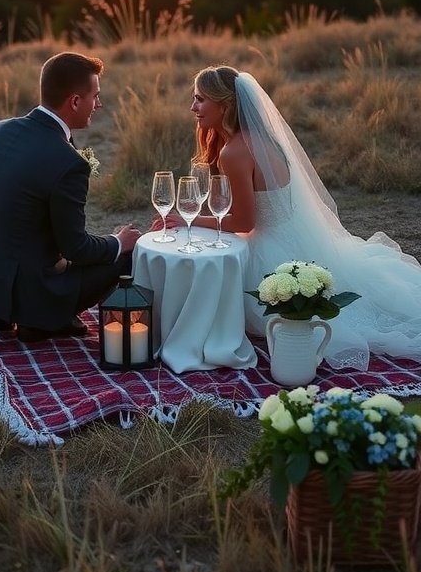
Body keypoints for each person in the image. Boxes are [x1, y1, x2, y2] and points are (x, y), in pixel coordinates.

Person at [179, 64, 421, 371]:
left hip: (270, 251)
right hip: (298, 235)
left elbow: (244, 223)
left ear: (224, 104)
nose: (193, 107)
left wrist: (188, 220)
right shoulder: (264, 139)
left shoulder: (234, 152)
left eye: (200, 99)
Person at [0, 51, 142, 342]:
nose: (98, 104)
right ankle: (41, 320)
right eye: (95, 96)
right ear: (75, 101)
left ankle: (0, 310)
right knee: (125, 255)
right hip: (27, 287)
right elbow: (76, 248)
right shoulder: (69, 162)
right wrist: (118, 243)